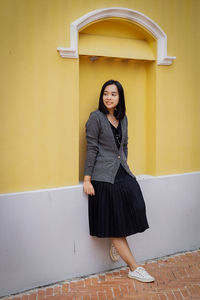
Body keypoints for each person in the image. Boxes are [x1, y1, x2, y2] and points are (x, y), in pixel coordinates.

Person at [83, 79, 155, 283]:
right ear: (102, 95)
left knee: (136, 207)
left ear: (120, 97)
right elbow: (92, 149)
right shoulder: (95, 118)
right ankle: (134, 267)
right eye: (106, 93)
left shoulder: (123, 118)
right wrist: (87, 180)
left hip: (123, 172)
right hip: (103, 177)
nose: (108, 97)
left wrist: (125, 165)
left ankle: (118, 242)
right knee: (115, 224)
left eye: (113, 94)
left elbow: (125, 146)